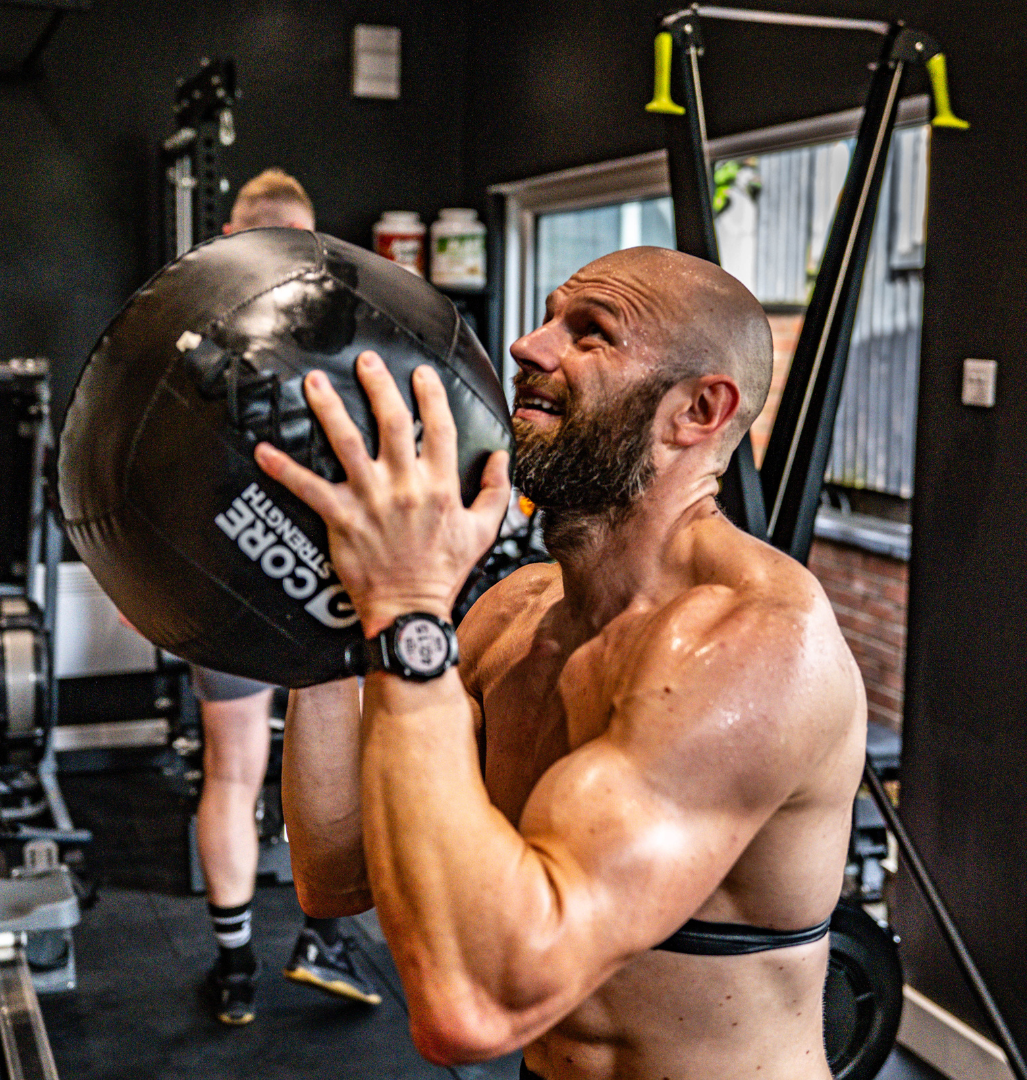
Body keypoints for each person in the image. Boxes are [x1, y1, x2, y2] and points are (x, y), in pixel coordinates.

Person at [255, 245, 867, 1079]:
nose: (528, 347)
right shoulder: (516, 614)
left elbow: (473, 1010)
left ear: (697, 410)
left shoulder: (756, 646)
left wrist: (406, 610)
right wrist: (326, 619)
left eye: (592, 334)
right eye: (548, 319)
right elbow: (336, 875)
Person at [200, 167, 380, 1026]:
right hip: (322, 583)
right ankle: (322, 934)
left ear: (235, 236)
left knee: (233, 774)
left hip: (227, 581)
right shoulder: (349, 332)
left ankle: (235, 970)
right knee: (332, 758)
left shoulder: (192, 334)